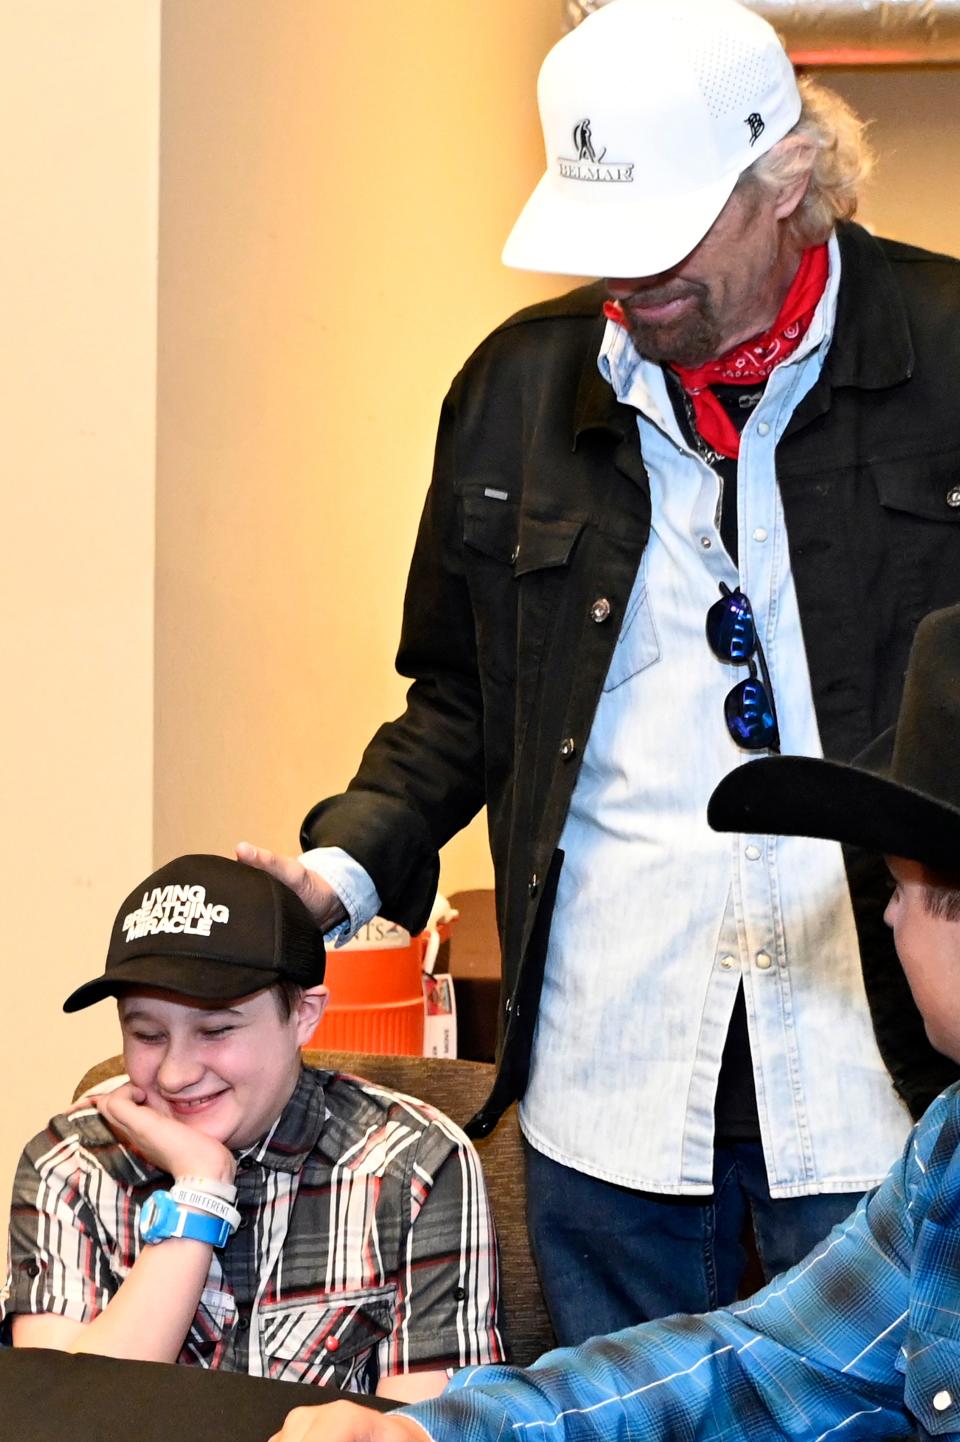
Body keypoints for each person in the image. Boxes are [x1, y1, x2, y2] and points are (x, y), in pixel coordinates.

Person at [240, 0, 960, 1340]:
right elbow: (460, 699)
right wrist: (333, 872)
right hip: (614, 1094)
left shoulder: (950, 353)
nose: (629, 283)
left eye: (667, 233)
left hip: (885, 1088)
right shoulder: (515, 387)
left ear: (789, 178)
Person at [267, 600, 960, 1442]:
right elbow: (758, 1365)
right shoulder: (945, 1156)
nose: (885, 921)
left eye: (897, 888)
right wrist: (429, 1432)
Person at [2, 854, 502, 1400]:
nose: (175, 1073)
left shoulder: (417, 1164)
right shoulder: (68, 1163)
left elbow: (424, 1429)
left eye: (215, 1030)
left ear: (305, 1015)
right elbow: (65, 1416)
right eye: (146, 1035)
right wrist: (199, 1192)